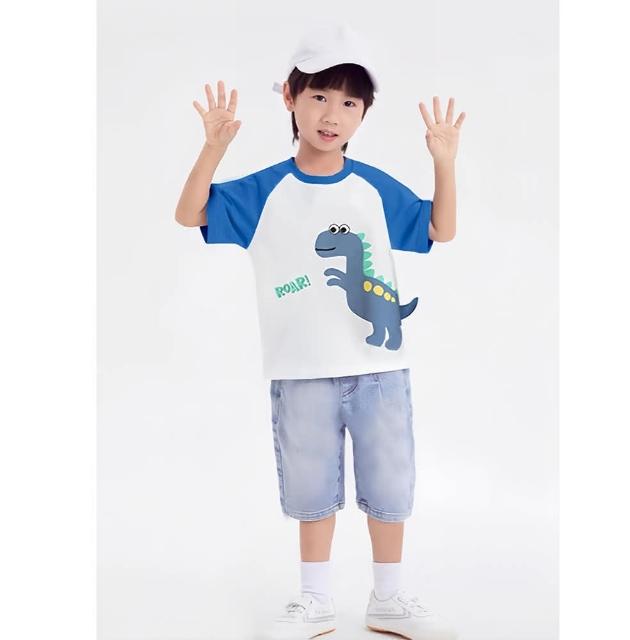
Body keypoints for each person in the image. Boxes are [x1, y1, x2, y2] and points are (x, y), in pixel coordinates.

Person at [175, 22, 465, 640]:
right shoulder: (264, 190)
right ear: (290, 98)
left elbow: (439, 229)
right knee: (312, 489)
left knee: (389, 485)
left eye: (350, 103)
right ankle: (314, 601)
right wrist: (213, 150)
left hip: (379, 369)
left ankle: (390, 598)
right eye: (319, 97)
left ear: (364, 114)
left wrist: (444, 163)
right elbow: (190, 212)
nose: (333, 115)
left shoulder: (372, 187)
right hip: (299, 369)